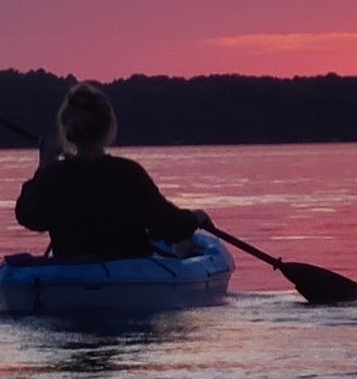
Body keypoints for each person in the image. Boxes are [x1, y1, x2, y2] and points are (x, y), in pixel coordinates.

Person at [15, 82, 211, 259]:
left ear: (67, 128)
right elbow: (168, 227)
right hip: (129, 278)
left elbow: (29, 216)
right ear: (108, 126)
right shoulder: (128, 174)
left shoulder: (53, 176)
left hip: (71, 275)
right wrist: (197, 217)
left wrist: (44, 164)